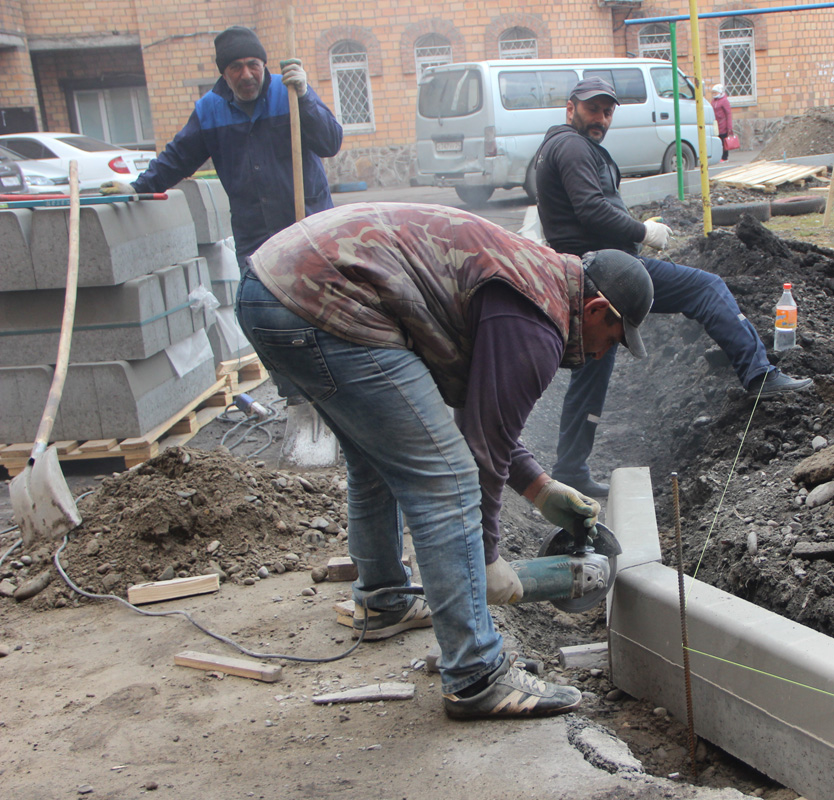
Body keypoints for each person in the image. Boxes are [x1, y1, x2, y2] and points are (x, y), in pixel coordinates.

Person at [236, 201, 654, 719]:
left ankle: (384, 599)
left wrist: (541, 489)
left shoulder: (535, 282)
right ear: (595, 311)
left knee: (377, 459)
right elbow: (479, 452)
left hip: (274, 287)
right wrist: (487, 558)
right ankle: (477, 673)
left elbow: (480, 419)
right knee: (447, 479)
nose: (602, 354)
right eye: (611, 341)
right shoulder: (539, 323)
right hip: (321, 298)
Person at [535, 77, 812, 497]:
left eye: (608, 111)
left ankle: (570, 468)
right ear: (570, 108)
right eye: (593, 109)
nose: (602, 119)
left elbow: (588, 207)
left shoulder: (561, 147)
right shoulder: (571, 146)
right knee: (705, 288)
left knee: (594, 367)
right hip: (607, 271)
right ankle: (758, 375)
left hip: (583, 275)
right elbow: (590, 209)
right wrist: (642, 230)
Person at [101, 25, 343, 273]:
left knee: (316, 304)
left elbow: (330, 143)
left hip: (309, 226)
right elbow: (177, 158)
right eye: (236, 67)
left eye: (253, 64)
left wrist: (305, 98)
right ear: (224, 75)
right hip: (256, 236)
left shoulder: (290, 92)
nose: (246, 74)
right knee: (260, 307)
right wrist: (137, 187)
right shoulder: (210, 111)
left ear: (264, 65)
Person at [712, 83, 733, 162]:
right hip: (716, 125)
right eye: (713, 93)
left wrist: (729, 127)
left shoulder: (724, 101)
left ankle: (725, 157)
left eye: (716, 92)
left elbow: (728, 114)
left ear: (720, 92)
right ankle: (719, 156)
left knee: (724, 141)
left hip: (723, 124)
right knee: (718, 141)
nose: (714, 94)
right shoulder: (713, 101)